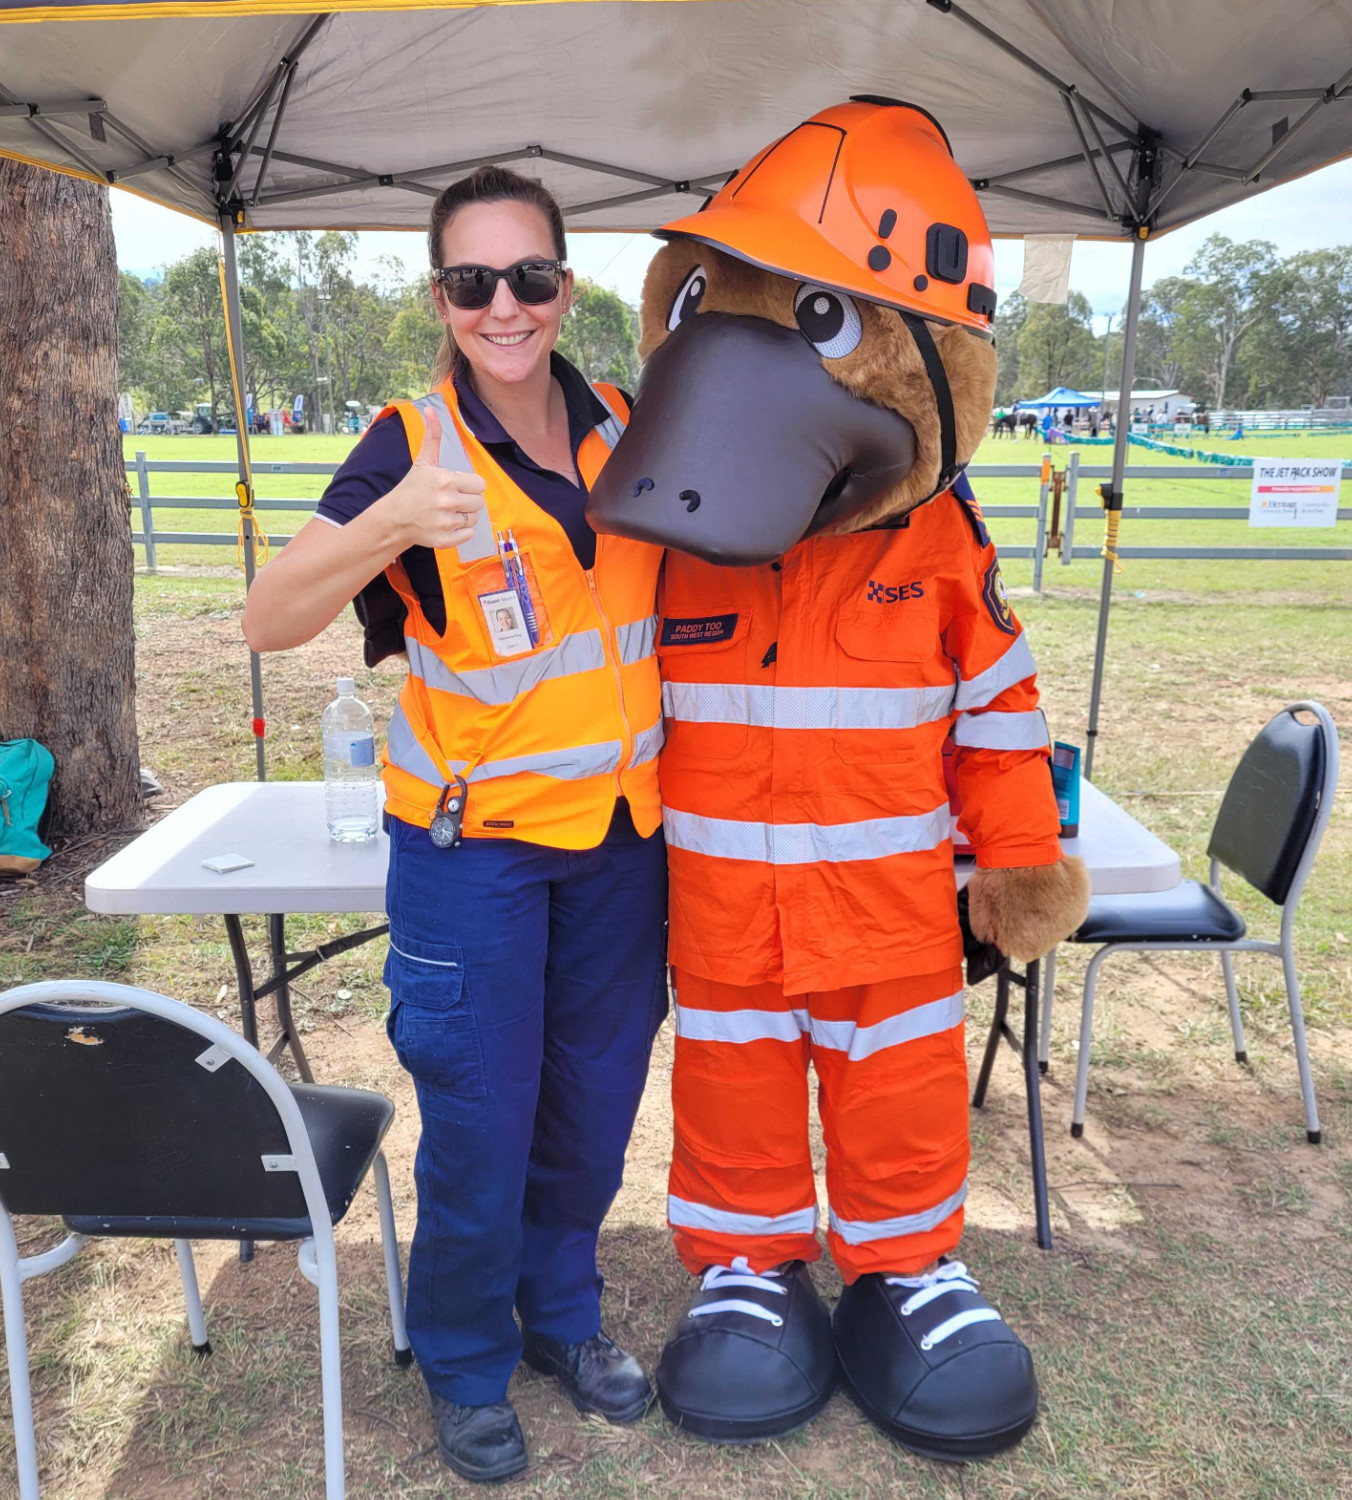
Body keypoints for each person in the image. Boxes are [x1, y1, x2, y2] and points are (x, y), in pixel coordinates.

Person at [242, 166, 667, 1485]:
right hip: (472, 852)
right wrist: (387, 523)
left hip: (618, 840)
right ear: (442, 298)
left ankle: (562, 1314)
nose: (505, 307)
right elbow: (269, 617)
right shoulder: (411, 443)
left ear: (565, 287)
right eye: (474, 283)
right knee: (482, 1123)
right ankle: (467, 1361)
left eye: (529, 277)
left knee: (591, 1111)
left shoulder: (622, 422)